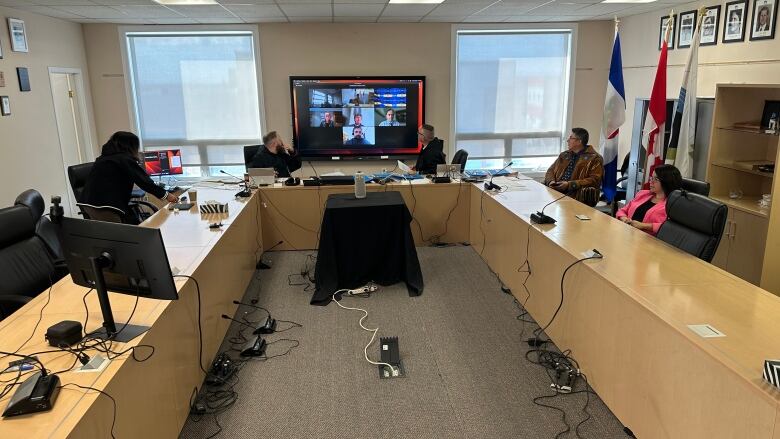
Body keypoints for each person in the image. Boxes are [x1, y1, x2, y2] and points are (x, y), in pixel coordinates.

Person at [82, 131, 178, 224]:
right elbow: (144, 182)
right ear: (130, 146)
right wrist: (167, 195)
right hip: (105, 207)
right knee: (119, 236)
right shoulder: (124, 159)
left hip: (88, 203)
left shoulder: (104, 158)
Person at [616, 164, 682, 235]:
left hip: (648, 241)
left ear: (667, 182)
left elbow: (671, 228)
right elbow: (623, 210)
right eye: (651, 178)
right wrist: (624, 219)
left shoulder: (671, 205)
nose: (651, 181)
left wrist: (643, 226)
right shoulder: (643, 194)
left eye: (656, 179)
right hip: (627, 233)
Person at [544, 128, 604, 206]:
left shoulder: (595, 158)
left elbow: (595, 179)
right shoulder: (564, 155)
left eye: (571, 138)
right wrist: (551, 182)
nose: (567, 140)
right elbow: (550, 170)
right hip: (556, 191)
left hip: (578, 195)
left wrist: (570, 184)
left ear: (579, 141)